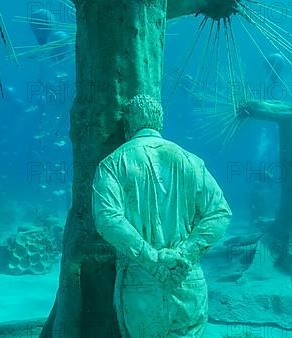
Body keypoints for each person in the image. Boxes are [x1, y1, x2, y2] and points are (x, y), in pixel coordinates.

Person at [92, 94, 232, 338]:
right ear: (160, 122)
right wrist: (184, 253)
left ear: (127, 125)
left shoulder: (113, 163)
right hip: (186, 277)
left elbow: (108, 219)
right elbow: (220, 213)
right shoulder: (192, 162)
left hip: (140, 281)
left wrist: (152, 261)